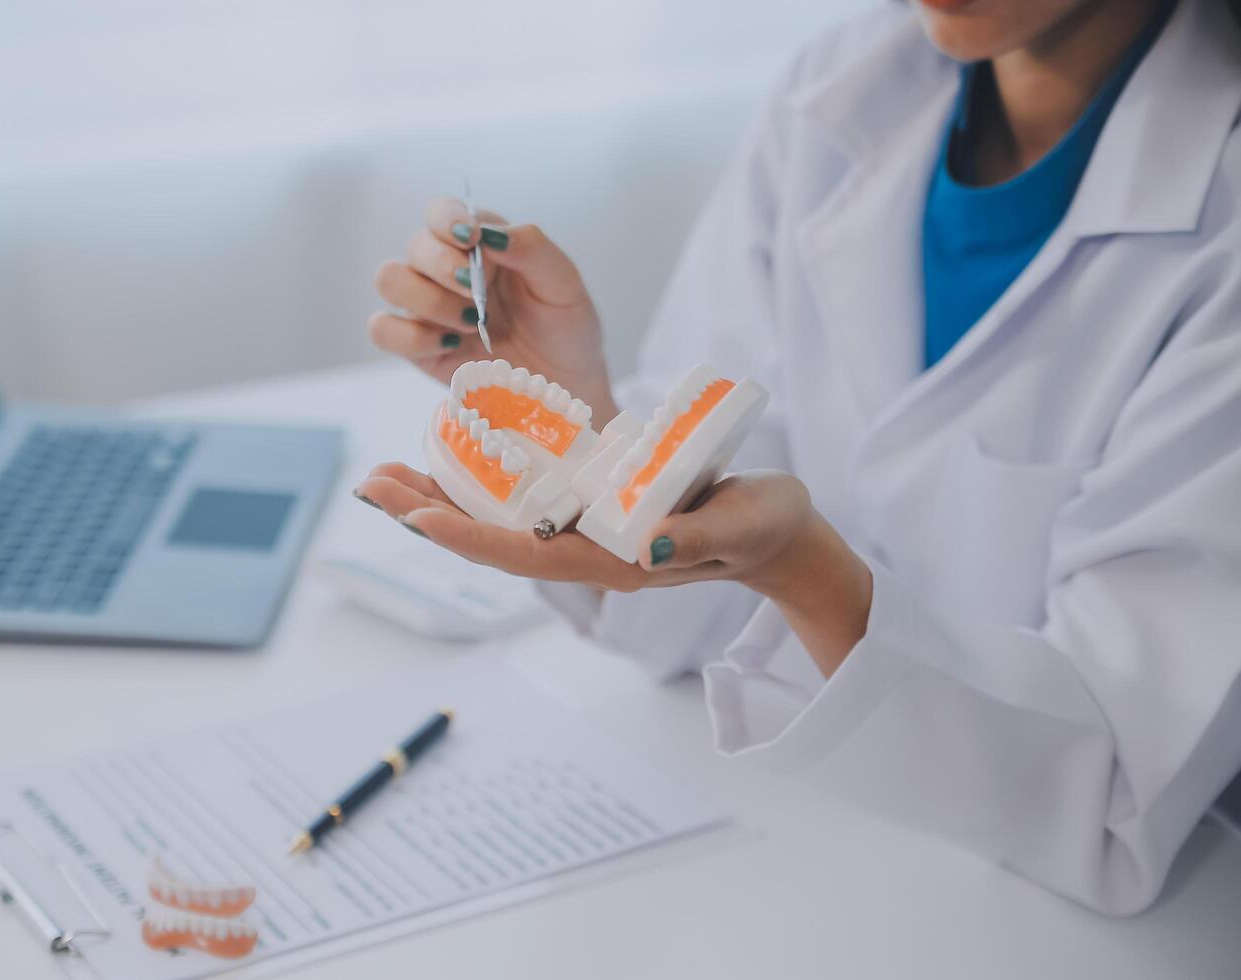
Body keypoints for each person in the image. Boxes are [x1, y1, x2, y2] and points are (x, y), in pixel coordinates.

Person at [358, 0, 1241, 915]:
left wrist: (810, 576)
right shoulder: (840, 88)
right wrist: (591, 451)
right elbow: (701, 628)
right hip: (781, 860)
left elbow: (1108, 800)